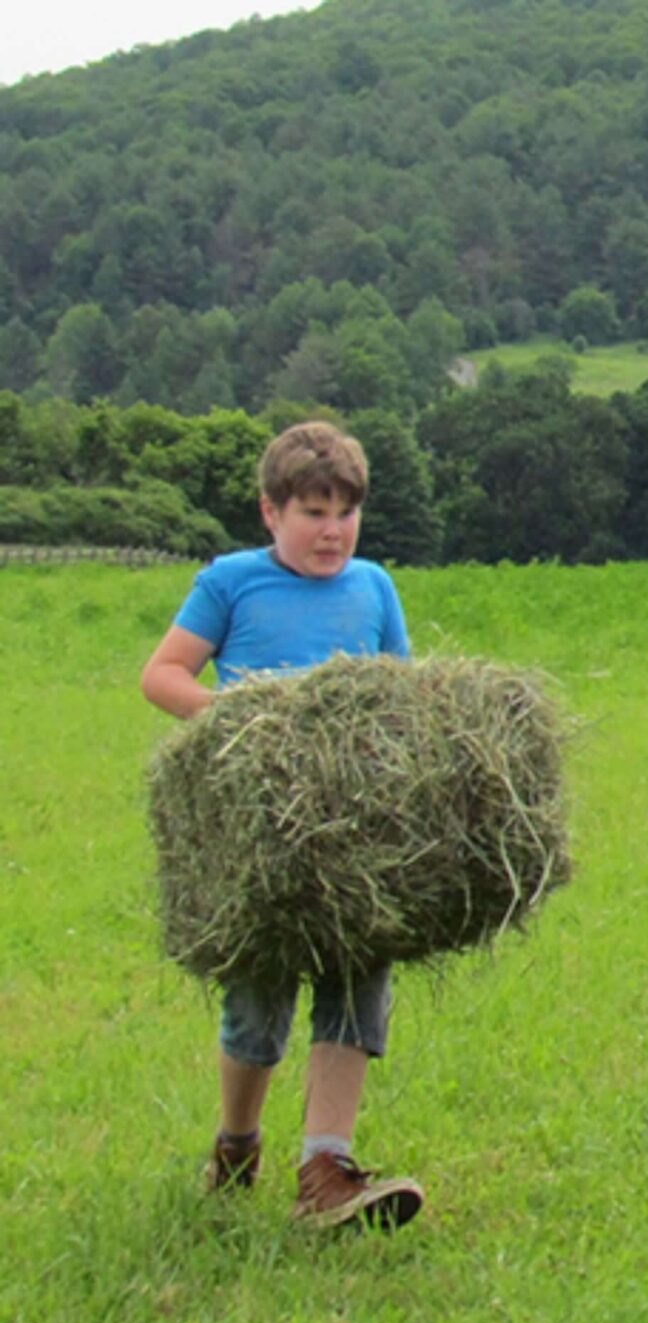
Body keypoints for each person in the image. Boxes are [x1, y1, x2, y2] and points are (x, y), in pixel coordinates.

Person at [138, 422, 427, 1233]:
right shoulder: (231, 582)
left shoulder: (374, 587)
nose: (332, 530)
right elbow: (162, 675)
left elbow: (400, 696)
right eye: (313, 511)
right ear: (271, 512)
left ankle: (325, 1168)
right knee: (257, 1006)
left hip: (354, 833)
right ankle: (237, 1142)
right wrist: (247, 720)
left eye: (346, 512)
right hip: (261, 831)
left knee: (356, 987)